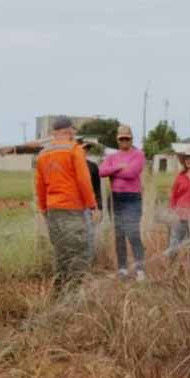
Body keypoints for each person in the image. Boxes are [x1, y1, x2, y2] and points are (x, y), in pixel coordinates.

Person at [34, 117, 97, 283]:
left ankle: (59, 294)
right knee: (79, 253)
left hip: (52, 210)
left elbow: (39, 186)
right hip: (73, 210)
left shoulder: (42, 154)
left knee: (61, 254)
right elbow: (84, 180)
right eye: (73, 131)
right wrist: (92, 205)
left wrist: (44, 209)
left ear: (54, 133)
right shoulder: (75, 150)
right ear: (69, 131)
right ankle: (73, 298)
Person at [99, 125, 147, 280]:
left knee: (133, 233)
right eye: (121, 139)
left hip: (132, 198)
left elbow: (132, 173)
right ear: (117, 140)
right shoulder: (112, 156)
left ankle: (140, 270)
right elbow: (101, 172)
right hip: (115, 198)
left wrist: (113, 170)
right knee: (119, 234)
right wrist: (119, 167)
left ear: (131, 138)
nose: (124, 141)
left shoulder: (138, 155)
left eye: (127, 138)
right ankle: (122, 269)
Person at [77, 137, 103, 261]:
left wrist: (99, 207)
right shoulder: (71, 166)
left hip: (89, 206)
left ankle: (89, 262)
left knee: (90, 234)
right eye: (83, 148)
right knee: (76, 235)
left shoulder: (93, 166)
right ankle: (77, 261)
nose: (85, 151)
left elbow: (97, 189)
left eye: (87, 148)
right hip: (73, 207)